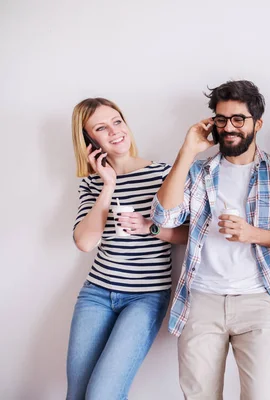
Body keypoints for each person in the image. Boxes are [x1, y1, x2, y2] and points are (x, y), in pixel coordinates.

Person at [151, 80, 270, 400]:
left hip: (258, 299)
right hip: (201, 300)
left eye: (239, 119)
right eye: (221, 119)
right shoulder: (196, 171)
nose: (229, 127)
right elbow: (164, 218)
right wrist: (187, 151)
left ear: (257, 123)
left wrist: (254, 234)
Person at [66, 97, 189, 400]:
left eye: (117, 122)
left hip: (145, 298)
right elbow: (84, 242)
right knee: (77, 394)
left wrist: (151, 227)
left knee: (103, 394)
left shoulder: (163, 173)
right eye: (101, 128)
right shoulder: (92, 184)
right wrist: (108, 185)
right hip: (96, 293)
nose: (114, 131)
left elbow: (190, 233)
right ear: (88, 140)